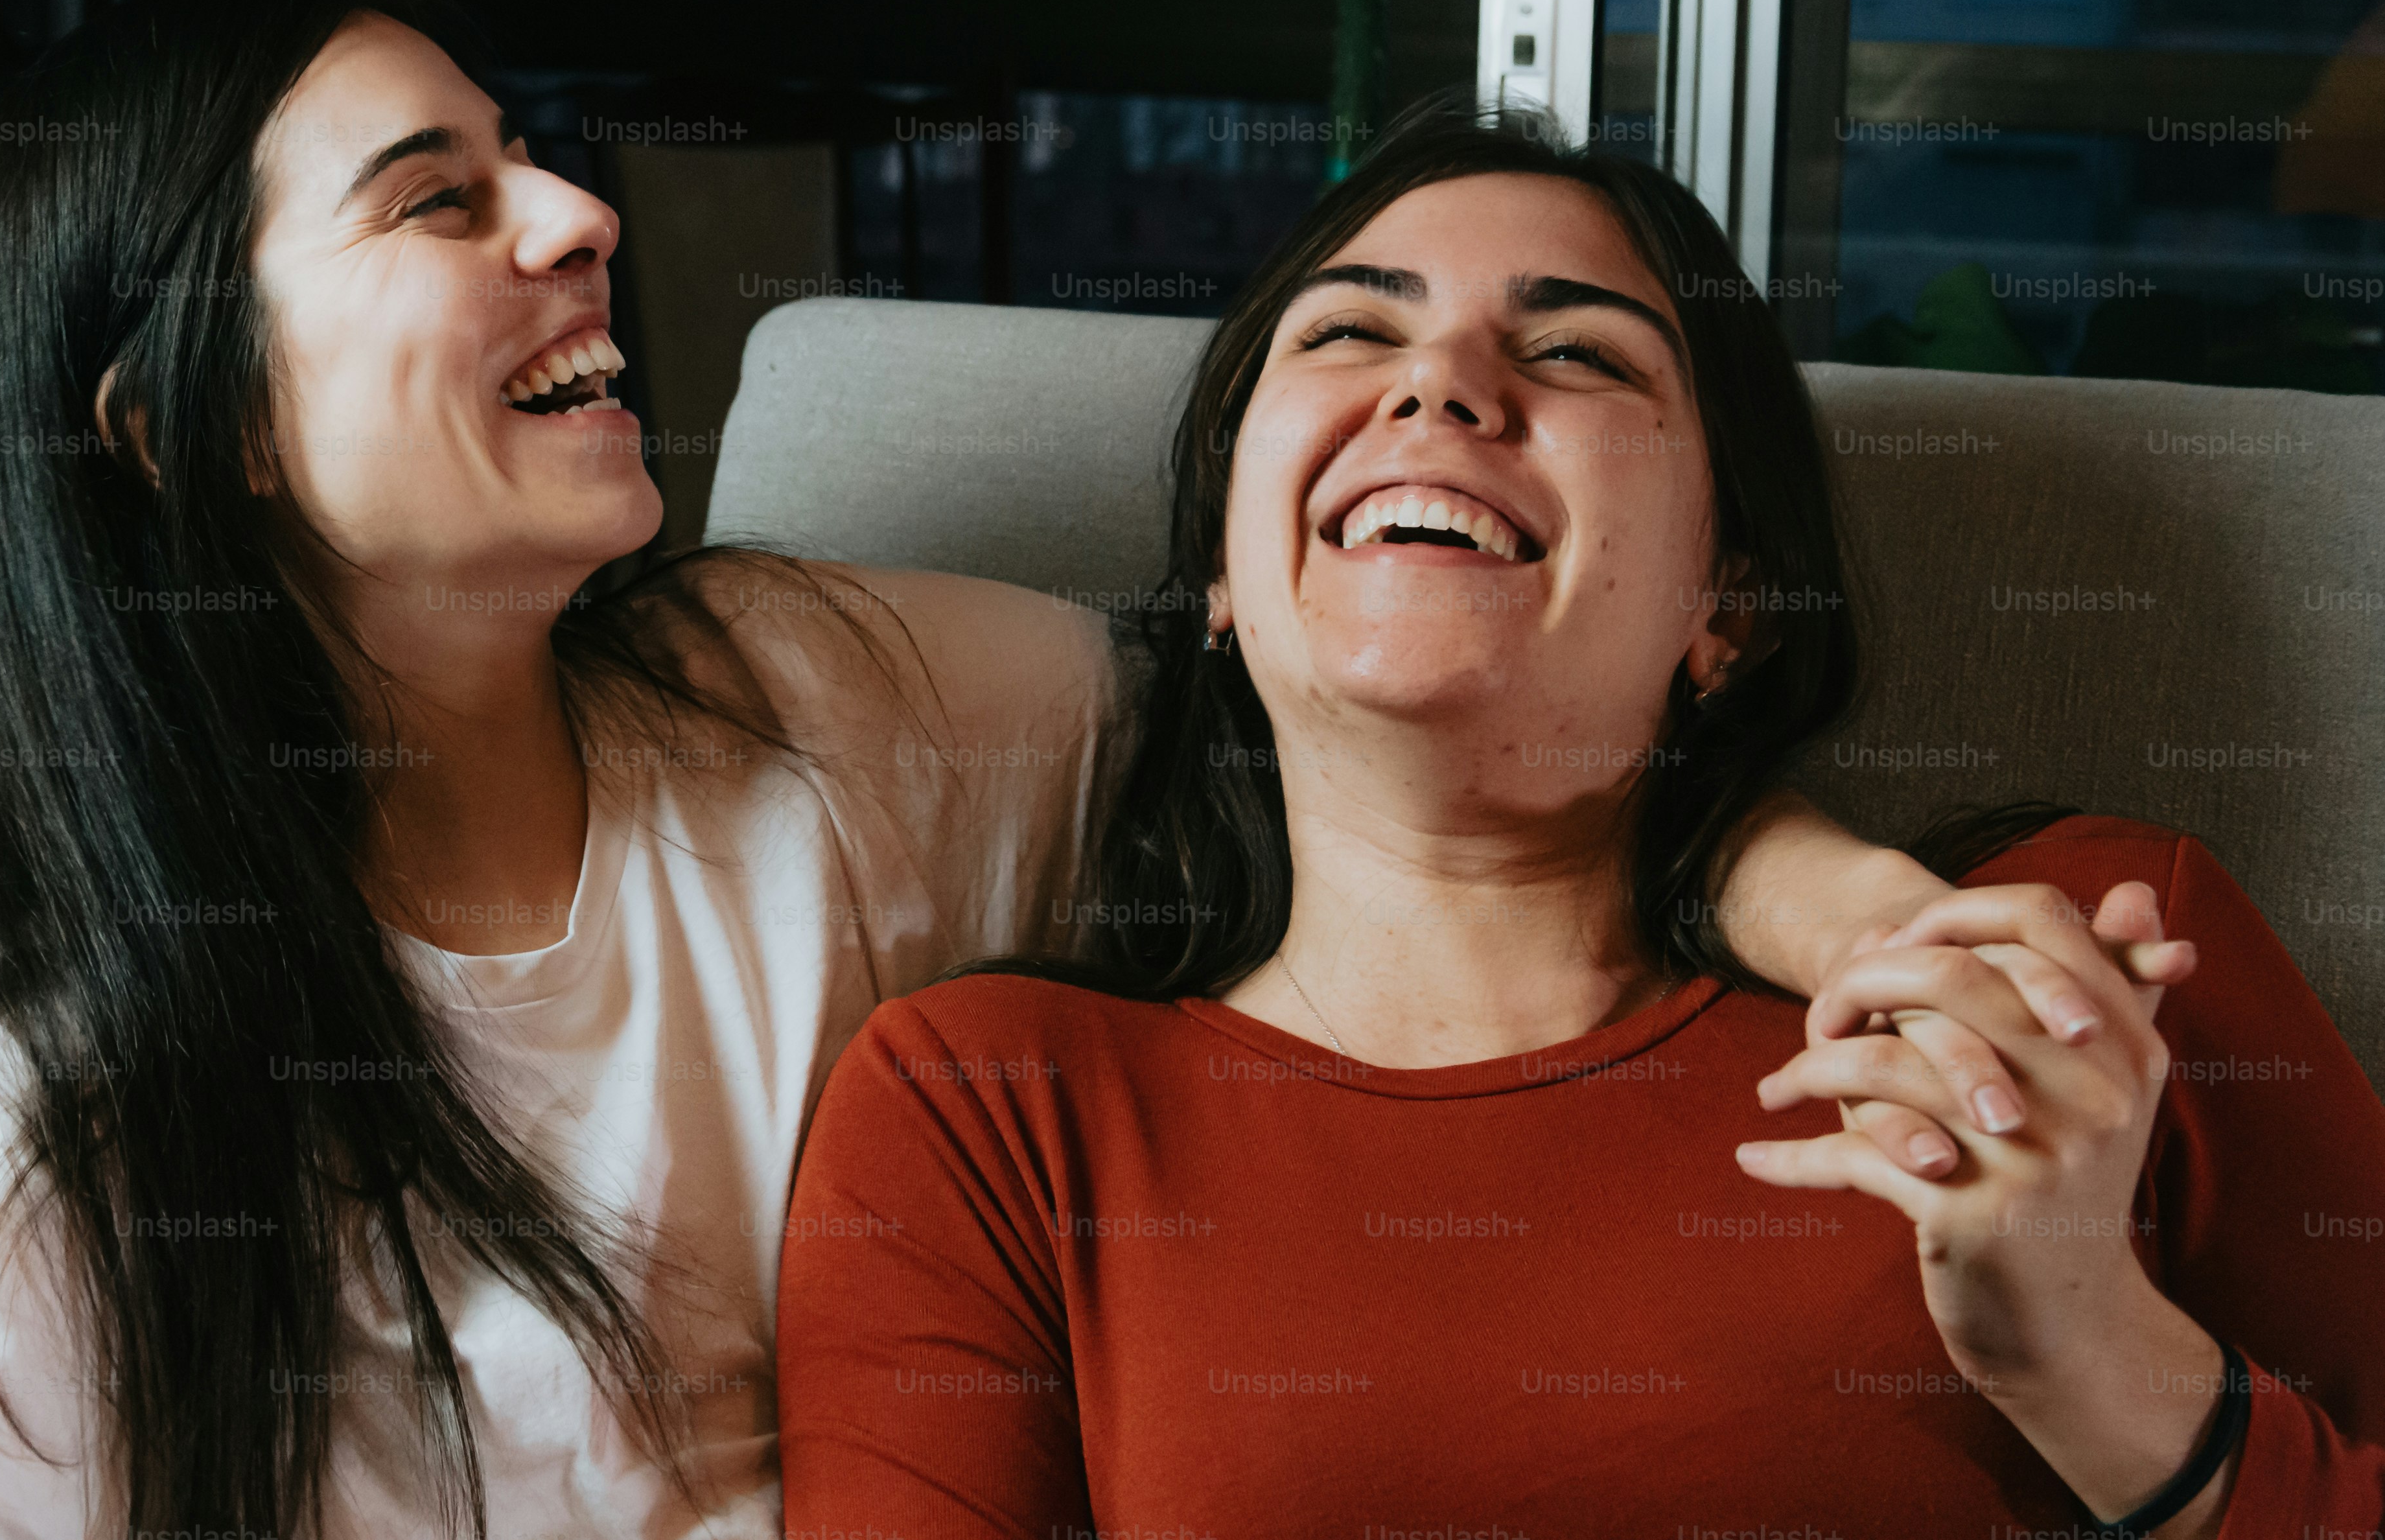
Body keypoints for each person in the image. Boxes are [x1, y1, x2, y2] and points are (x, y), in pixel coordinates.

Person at [0, 0, 2165, 1539]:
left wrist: (1843, 902)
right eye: (440, 199)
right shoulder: (30, 1151)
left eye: (531, 150)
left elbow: (1368, 702)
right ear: (177, 429)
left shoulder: (808, 709)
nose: (575, 212)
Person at [776, 104, 2385, 1538]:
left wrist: (2096, 1360)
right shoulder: (992, 1105)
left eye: (1576, 352)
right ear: (1216, 569)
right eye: (1347, 333)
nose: (1441, 384)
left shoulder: (2061, 962)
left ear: (1727, 606)